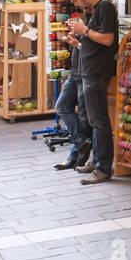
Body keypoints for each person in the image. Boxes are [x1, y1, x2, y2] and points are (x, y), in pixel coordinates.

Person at [66, 0, 117, 185]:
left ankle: (103, 168)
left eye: (76, 0)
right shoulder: (96, 9)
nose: (76, 4)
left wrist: (84, 29)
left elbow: (107, 39)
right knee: (93, 120)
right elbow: (95, 42)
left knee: (99, 120)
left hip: (97, 72)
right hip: (89, 70)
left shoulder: (105, 6)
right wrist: (78, 39)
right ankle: (96, 161)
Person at [52, 23, 91, 170]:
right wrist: (70, 41)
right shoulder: (79, 32)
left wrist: (78, 44)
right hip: (74, 74)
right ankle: (81, 143)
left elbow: (93, 52)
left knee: (83, 116)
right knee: (61, 106)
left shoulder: (91, 28)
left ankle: (75, 155)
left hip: (85, 75)